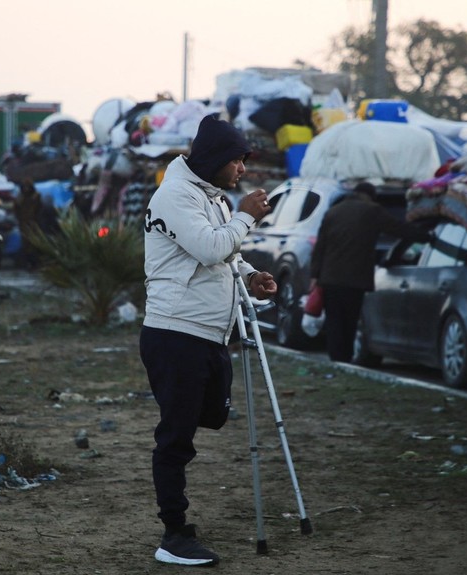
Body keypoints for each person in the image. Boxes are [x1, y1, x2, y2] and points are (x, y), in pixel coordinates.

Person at [140, 115, 277, 567]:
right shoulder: (176, 195)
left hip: (208, 334)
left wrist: (252, 275)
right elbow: (210, 247)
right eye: (237, 160)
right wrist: (245, 216)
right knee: (175, 437)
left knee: (213, 415)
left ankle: (175, 516)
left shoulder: (211, 197)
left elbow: (227, 255)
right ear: (217, 159)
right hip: (174, 331)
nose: (242, 169)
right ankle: (174, 535)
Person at [309, 181, 431, 362]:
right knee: (350, 321)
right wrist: (426, 236)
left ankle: (335, 359)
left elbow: (320, 246)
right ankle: (346, 359)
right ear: (371, 196)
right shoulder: (372, 211)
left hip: (330, 278)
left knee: (335, 320)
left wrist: (315, 275)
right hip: (354, 279)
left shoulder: (333, 212)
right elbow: (398, 229)